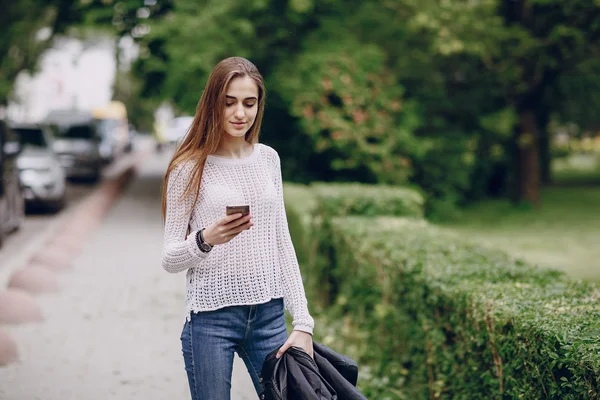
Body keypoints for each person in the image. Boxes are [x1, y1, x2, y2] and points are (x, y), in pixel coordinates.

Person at [160, 57, 315, 400]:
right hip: (211, 320)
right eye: (229, 102)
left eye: (249, 103)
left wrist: (303, 321)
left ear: (259, 105)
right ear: (213, 102)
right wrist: (204, 240)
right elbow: (169, 258)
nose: (240, 113)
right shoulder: (189, 168)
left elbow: (281, 243)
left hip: (269, 316)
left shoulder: (269, 159)